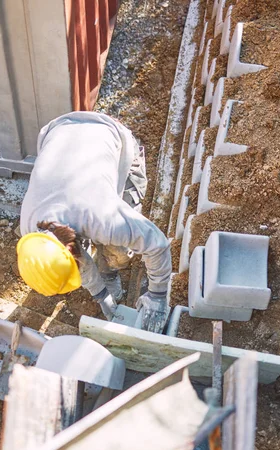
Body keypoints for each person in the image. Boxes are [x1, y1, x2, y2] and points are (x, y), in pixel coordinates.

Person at [18, 112, 172, 334]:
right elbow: (75, 256)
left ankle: (111, 269)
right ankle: (106, 273)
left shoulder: (105, 218)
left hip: (111, 134)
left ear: (71, 248)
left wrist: (157, 296)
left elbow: (157, 244)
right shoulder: (30, 230)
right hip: (59, 131)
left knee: (119, 249)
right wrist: (101, 295)